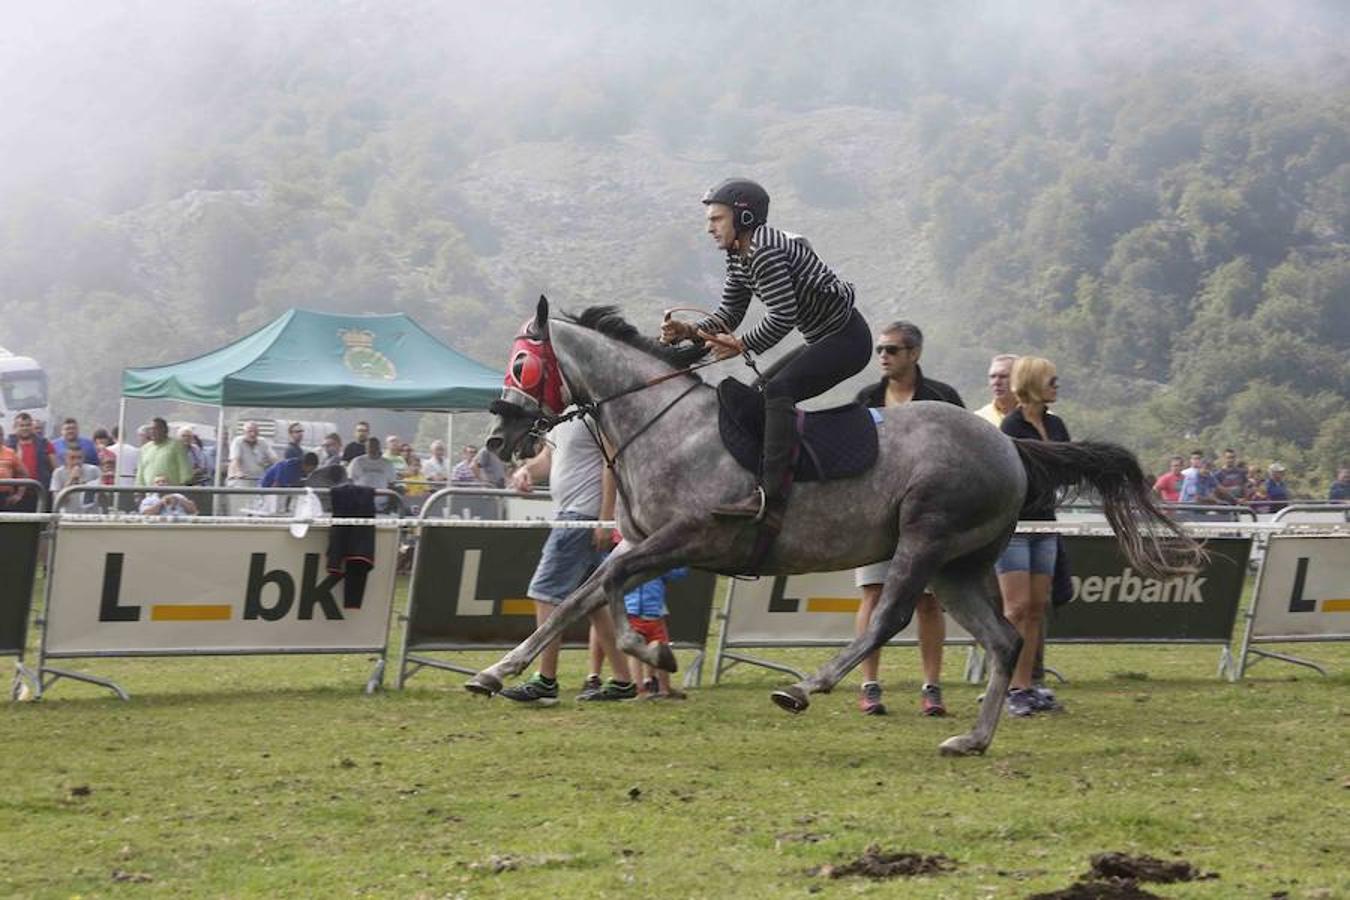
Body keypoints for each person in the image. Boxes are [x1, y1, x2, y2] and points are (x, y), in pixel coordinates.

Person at [660, 177, 869, 522]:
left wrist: (742, 345)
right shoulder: (738, 253)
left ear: (742, 218)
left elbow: (783, 316)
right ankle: (766, 478)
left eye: (716, 219)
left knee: (778, 391)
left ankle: (770, 498)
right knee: (759, 393)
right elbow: (729, 314)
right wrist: (691, 332)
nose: (709, 228)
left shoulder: (764, 251)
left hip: (847, 339)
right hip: (825, 337)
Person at [852, 320, 963, 717]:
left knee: (929, 601)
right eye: (880, 350)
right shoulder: (866, 398)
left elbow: (962, 455)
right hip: (877, 516)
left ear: (914, 354)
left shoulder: (943, 398)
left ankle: (932, 689)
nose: (883, 356)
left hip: (930, 517)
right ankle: (869, 685)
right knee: (874, 595)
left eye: (892, 350)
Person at [499, 417, 637, 704]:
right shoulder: (559, 418)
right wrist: (526, 470)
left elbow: (610, 462)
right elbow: (548, 458)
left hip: (580, 518)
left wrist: (605, 518)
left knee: (544, 594)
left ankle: (545, 681)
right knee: (595, 603)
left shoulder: (594, 413)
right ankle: (624, 682)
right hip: (574, 516)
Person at [997, 356, 1070, 717]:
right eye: (1051, 379)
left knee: (1038, 608)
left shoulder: (1056, 424)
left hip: (1045, 525)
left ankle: (1029, 684)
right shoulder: (1011, 426)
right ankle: (1010, 686)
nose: (1056, 384)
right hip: (1014, 528)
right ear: (1032, 382)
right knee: (1016, 608)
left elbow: (1066, 469)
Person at [623, 564, 689, 700]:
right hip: (634, 614)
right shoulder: (628, 562)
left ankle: (664, 689)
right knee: (635, 653)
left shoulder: (658, 565)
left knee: (661, 652)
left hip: (654, 615)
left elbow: (678, 574)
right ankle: (639, 689)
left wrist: (682, 561)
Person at [6, 412, 58, 512]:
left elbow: (55, 468)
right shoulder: (8, 446)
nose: (25, 428)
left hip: (40, 492)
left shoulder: (44, 443)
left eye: (28, 425)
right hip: (16, 493)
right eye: (21, 425)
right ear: (15, 427)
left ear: (32, 426)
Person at [226, 421, 278, 515]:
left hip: (256, 482)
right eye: (250, 431)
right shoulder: (238, 441)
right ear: (244, 432)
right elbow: (235, 460)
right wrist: (238, 472)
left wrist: (277, 471)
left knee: (256, 510)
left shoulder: (262, 442)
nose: (253, 434)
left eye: (255, 432)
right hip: (240, 483)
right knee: (239, 511)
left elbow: (273, 458)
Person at [136, 417, 192, 487]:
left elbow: (185, 470)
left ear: (165, 430)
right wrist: (139, 490)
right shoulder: (145, 448)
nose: (152, 431)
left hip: (171, 493)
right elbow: (140, 473)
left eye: (156, 429)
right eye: (151, 429)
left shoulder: (176, 445)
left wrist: (183, 488)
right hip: (150, 494)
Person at [348, 436, 397, 510]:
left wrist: (390, 503)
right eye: (369, 447)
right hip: (360, 502)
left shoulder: (388, 464)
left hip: (381, 504)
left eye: (374, 446)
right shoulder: (357, 461)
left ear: (379, 447)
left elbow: (391, 484)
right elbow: (350, 481)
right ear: (365, 448)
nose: (371, 449)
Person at [50, 445, 103, 512]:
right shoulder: (58, 473)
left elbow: (102, 497)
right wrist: (71, 480)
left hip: (90, 515)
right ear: (65, 458)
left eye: (79, 458)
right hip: (68, 516)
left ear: (83, 458)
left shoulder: (94, 470)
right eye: (72, 458)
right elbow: (58, 501)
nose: (76, 461)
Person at [973, 354, 1018, 427]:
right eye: (992, 377)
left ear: (1019, 379)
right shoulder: (979, 418)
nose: (996, 382)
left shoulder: (1036, 415)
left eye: (1003, 376)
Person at [0, 422, 33, 509]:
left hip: (5, 496)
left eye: (0, 435)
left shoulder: (10, 453)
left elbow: (24, 473)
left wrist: (19, 495)